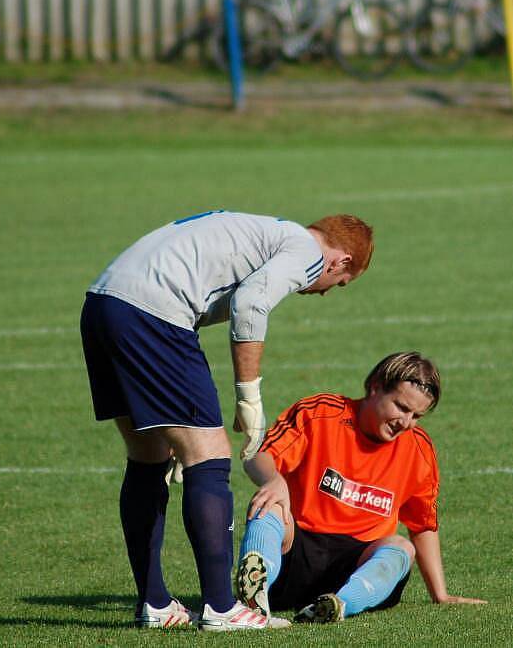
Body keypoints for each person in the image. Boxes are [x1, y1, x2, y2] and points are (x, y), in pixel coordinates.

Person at [80, 210, 374, 630]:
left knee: (149, 455)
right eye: (339, 284)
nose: (327, 291)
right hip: (153, 313)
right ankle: (221, 608)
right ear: (340, 261)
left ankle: (155, 604)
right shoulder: (309, 251)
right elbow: (251, 302)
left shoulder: (269, 231)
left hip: (102, 305)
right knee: (211, 454)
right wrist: (248, 398)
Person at [235, 351, 486, 624]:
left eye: (416, 416)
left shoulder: (419, 450)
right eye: (401, 407)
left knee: (401, 547)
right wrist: (273, 479)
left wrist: (441, 594)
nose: (405, 423)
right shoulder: (320, 413)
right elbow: (259, 457)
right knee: (269, 506)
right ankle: (255, 595)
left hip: (357, 567)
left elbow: (422, 525)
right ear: (375, 387)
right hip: (295, 554)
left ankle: (338, 604)